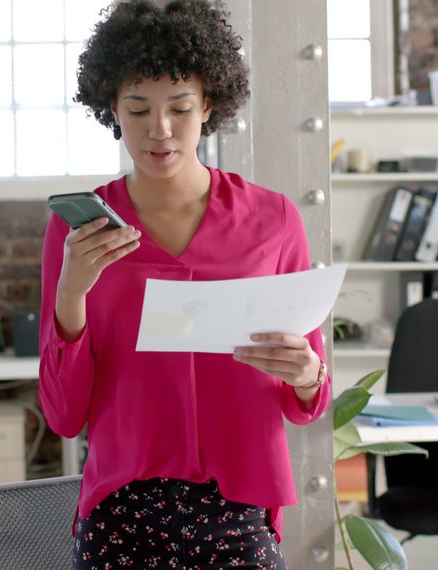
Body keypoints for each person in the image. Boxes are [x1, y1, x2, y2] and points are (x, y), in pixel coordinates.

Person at [38, 1, 331, 567]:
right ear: (113, 110)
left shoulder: (273, 220)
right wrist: (71, 294)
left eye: (180, 107)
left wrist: (308, 374)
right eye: (139, 108)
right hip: (120, 511)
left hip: (237, 509)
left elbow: (308, 403)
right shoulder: (79, 230)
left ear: (209, 105)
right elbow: (63, 416)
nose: (161, 130)